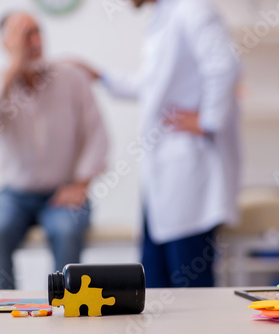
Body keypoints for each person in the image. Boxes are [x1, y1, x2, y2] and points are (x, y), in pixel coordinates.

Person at [73, 0, 240, 287]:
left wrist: (207, 122)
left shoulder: (192, 9)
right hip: (163, 179)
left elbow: (224, 66)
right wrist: (100, 76)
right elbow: (152, 86)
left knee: (190, 289)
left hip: (189, 173)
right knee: (154, 286)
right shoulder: (164, 17)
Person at [0, 12, 108, 289]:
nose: (33, 41)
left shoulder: (71, 79)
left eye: (36, 32)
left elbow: (97, 136)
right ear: (5, 43)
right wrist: (15, 68)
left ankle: (65, 309)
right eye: (22, 35)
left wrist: (80, 184)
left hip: (61, 192)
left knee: (67, 231)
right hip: (14, 194)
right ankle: (5, 311)